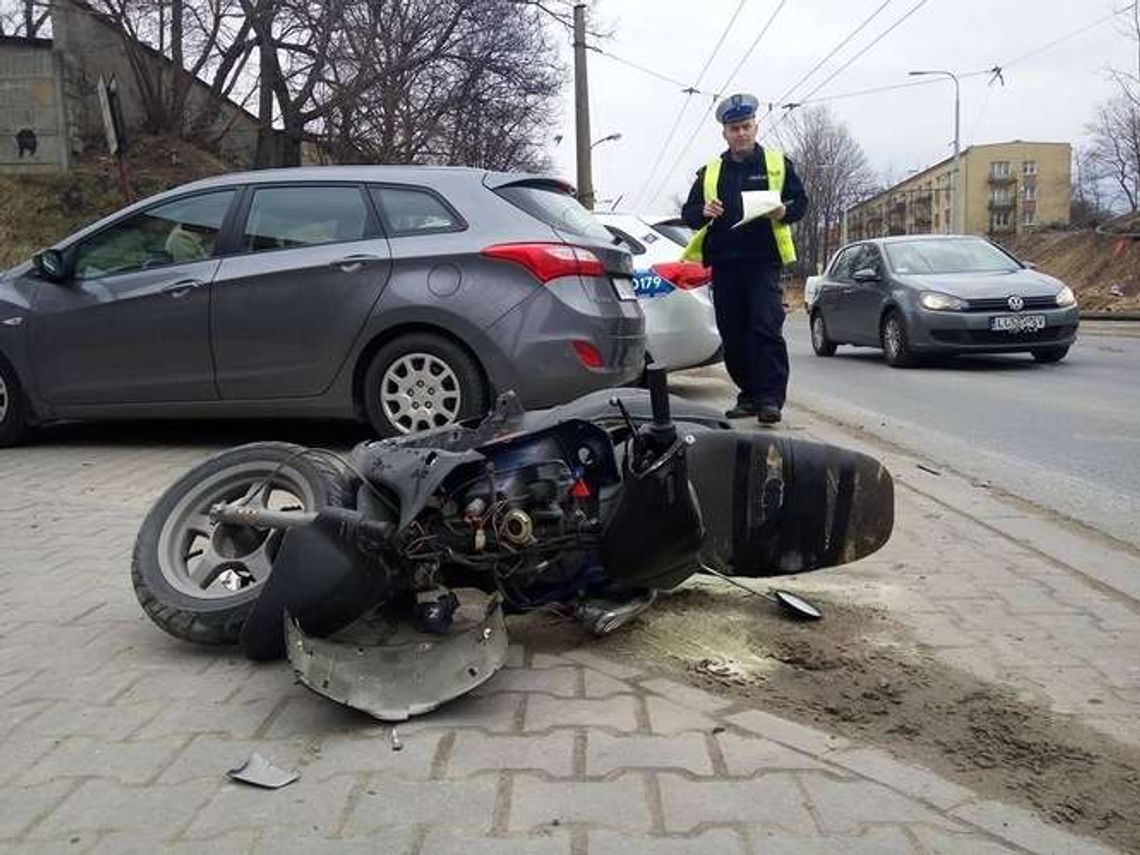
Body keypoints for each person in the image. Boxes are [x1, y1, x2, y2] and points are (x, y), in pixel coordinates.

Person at [681, 93, 808, 425]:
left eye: (746, 126)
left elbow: (800, 202)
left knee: (766, 328)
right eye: (734, 128)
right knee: (733, 334)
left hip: (763, 262)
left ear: (755, 127)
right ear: (725, 133)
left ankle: (770, 399)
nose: (741, 133)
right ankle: (748, 395)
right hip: (725, 264)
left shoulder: (777, 165)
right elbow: (689, 214)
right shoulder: (711, 171)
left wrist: (784, 210)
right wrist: (703, 210)